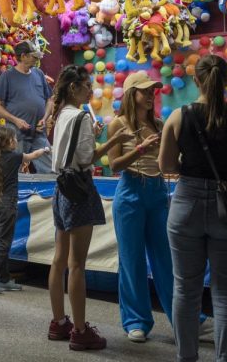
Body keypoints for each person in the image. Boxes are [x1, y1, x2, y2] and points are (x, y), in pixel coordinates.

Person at [159, 54, 227, 362]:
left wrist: (193, 168)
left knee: (186, 290)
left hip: (186, 206)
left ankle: (187, 358)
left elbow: (166, 165)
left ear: (196, 81)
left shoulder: (179, 117)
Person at [47, 65, 132, 350]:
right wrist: (114, 141)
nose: (91, 92)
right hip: (79, 190)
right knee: (77, 264)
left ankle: (59, 322)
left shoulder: (61, 115)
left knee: (59, 260)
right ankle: (81, 330)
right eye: (87, 86)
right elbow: (87, 159)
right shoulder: (81, 116)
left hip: (61, 188)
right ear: (74, 88)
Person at [106, 71, 175, 343]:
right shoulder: (118, 124)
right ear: (131, 93)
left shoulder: (160, 123)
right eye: (144, 91)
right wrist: (140, 150)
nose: (150, 95)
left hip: (158, 192)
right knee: (131, 260)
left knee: (166, 259)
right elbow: (113, 165)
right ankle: (136, 321)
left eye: (152, 91)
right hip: (131, 191)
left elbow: (167, 162)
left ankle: (184, 318)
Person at [0, 125, 47, 295]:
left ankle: (3, 278)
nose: (16, 140)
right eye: (13, 138)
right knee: (3, 243)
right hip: (8, 205)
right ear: (6, 142)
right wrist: (44, 149)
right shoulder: (14, 156)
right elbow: (32, 156)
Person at [0, 40, 53, 174]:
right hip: (16, 136)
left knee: (50, 171)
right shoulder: (7, 76)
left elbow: (50, 100)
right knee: (12, 173)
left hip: (38, 134)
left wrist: (45, 118)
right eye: (33, 56)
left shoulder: (39, 74)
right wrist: (15, 120)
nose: (37, 59)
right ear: (23, 56)